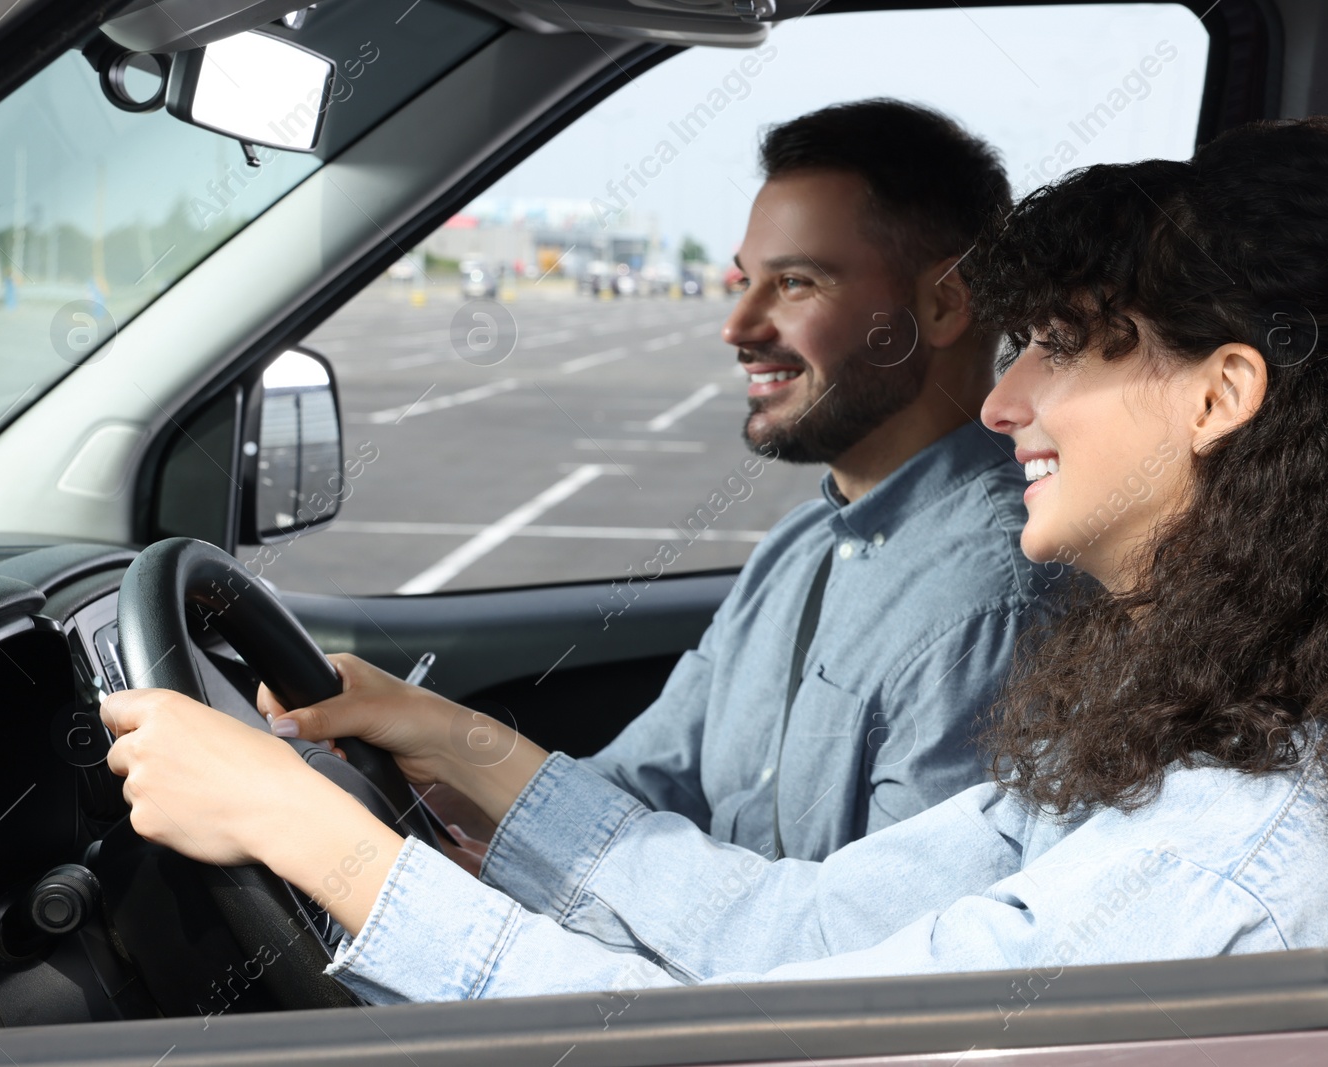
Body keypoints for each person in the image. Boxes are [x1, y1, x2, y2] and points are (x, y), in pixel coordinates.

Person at [102, 117, 1328, 1001]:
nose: (1007, 402)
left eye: (1065, 343)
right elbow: (808, 936)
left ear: (1219, 392)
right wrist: (454, 743)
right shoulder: (1204, 729)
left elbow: (781, 1043)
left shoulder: (1243, 844)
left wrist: (319, 843)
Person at [436, 99, 1041, 864]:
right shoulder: (800, 548)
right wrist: (424, 785)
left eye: (793, 283)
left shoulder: (991, 600)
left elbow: (880, 954)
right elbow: (640, 784)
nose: (738, 325)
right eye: (745, 280)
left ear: (944, 304)